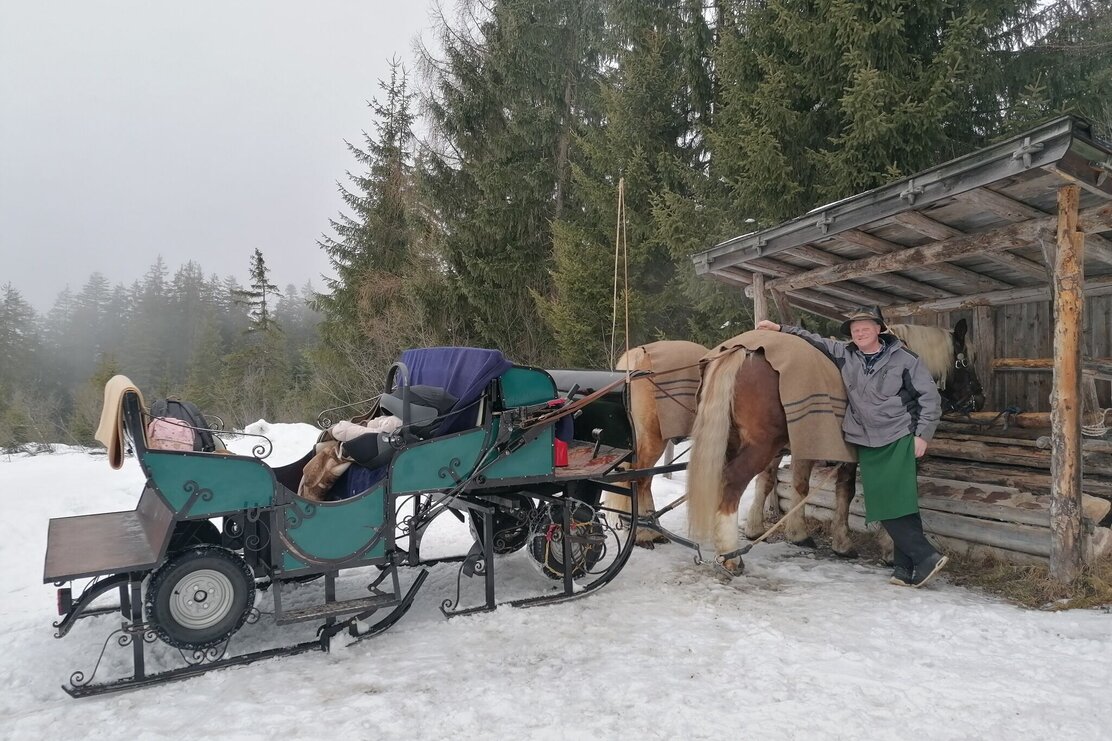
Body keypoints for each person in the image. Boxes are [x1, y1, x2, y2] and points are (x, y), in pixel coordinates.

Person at [756, 306, 948, 588]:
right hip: (867, 440)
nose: (860, 332)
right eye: (855, 328)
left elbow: (929, 398)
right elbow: (814, 340)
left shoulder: (905, 358)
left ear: (880, 329)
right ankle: (904, 570)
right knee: (899, 503)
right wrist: (781, 329)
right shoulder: (846, 354)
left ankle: (926, 556)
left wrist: (922, 436)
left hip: (898, 436)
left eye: (866, 327)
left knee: (889, 503)